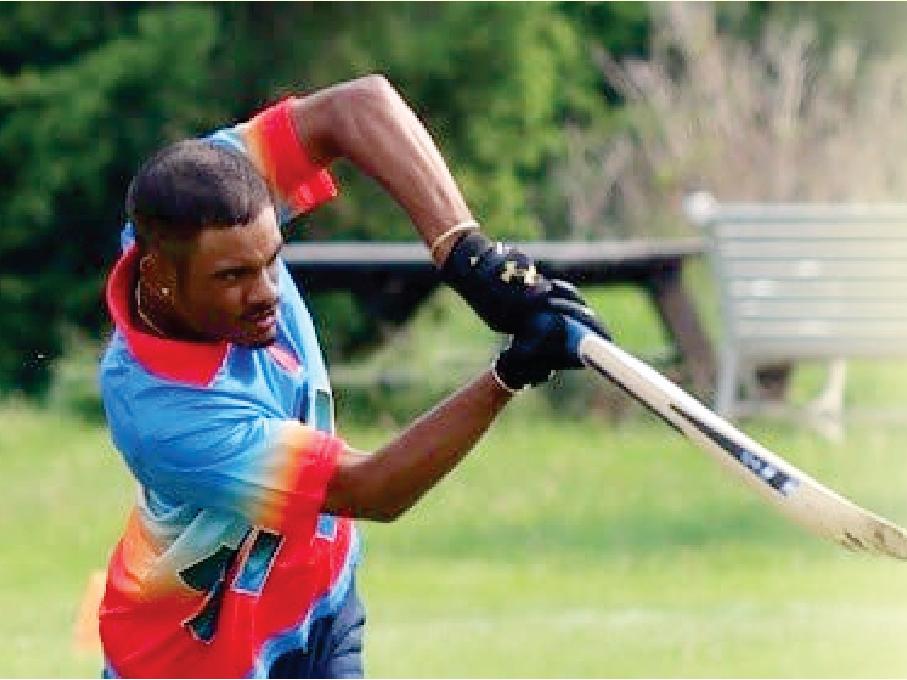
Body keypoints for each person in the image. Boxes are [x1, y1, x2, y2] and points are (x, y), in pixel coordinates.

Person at [97, 74, 608, 678]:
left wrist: (467, 255)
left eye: (273, 260)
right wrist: (509, 374)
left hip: (319, 607)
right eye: (233, 277)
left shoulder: (211, 194)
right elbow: (373, 489)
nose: (266, 293)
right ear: (159, 277)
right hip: (195, 660)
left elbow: (358, 105)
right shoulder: (163, 411)